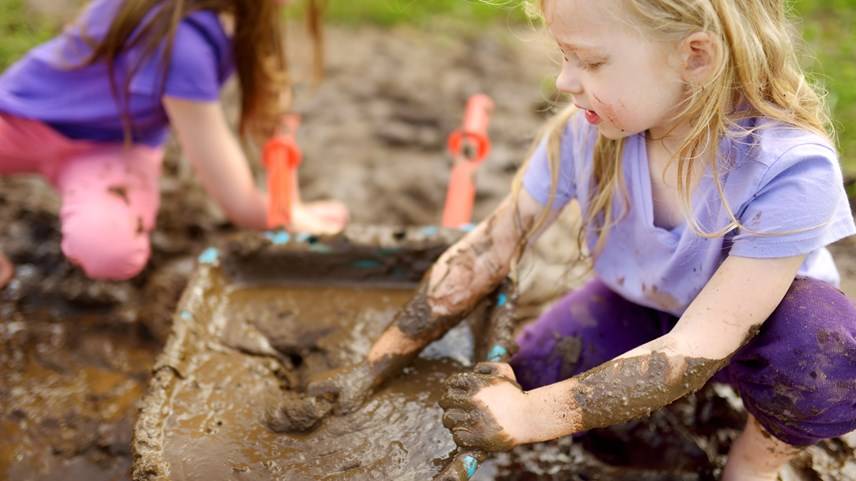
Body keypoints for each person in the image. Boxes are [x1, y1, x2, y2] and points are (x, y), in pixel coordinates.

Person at [300, 1, 856, 479]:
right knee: (536, 371)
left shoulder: (788, 167)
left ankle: (755, 460)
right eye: (564, 56)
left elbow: (698, 345)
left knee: (824, 356)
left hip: (760, 329)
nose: (565, 81)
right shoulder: (586, 132)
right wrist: (373, 367)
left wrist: (526, 417)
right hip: (644, 304)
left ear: (695, 57)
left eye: (590, 61)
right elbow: (490, 246)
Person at [0, 0, 347, 284]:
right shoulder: (180, 41)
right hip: (17, 122)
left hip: (111, 147)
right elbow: (227, 183)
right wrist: (273, 217)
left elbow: (272, 119)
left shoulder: (244, 17)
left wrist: (289, 208)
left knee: (108, 249)